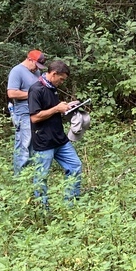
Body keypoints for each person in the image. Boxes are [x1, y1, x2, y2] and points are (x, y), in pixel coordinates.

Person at [28, 59, 82, 207]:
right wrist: (56, 109)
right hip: (44, 141)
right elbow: (34, 117)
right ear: (53, 74)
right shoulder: (36, 89)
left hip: (60, 139)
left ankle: (71, 204)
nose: (62, 82)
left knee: (75, 166)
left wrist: (67, 107)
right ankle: (42, 210)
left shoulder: (52, 87)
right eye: (61, 79)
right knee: (41, 177)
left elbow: (53, 108)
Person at [7, 50, 46, 175]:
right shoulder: (17, 71)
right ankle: (19, 178)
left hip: (35, 113)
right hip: (23, 115)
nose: (37, 69)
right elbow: (12, 93)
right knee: (23, 146)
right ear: (29, 59)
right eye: (36, 65)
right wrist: (32, 95)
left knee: (34, 146)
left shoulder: (36, 71)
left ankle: (30, 176)